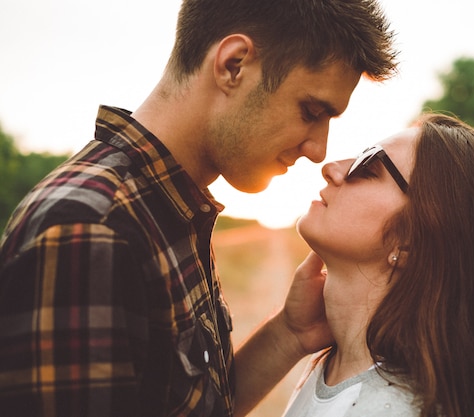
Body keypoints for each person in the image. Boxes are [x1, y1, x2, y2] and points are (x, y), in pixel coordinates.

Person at [0, 1, 397, 416]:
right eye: (311, 112)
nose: (319, 151)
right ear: (232, 65)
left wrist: (288, 334)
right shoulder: (91, 230)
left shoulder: (165, 209)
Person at [283, 113, 474, 417]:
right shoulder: (338, 369)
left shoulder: (397, 409)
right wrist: (288, 333)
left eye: (368, 166)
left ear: (413, 241)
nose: (332, 169)